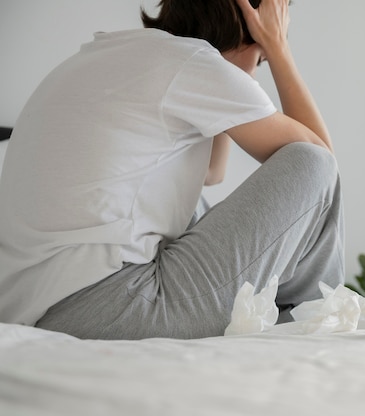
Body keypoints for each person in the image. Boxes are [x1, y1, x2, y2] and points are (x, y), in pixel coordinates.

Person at [0, 0, 344, 339]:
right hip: (111, 304)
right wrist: (278, 48)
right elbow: (320, 162)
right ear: (250, 29)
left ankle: (294, 310)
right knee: (311, 163)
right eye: (261, 60)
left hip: (39, 306)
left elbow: (212, 173)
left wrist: (243, 66)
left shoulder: (109, 55)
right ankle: (312, 312)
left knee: (190, 203)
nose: (258, 67)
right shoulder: (191, 63)